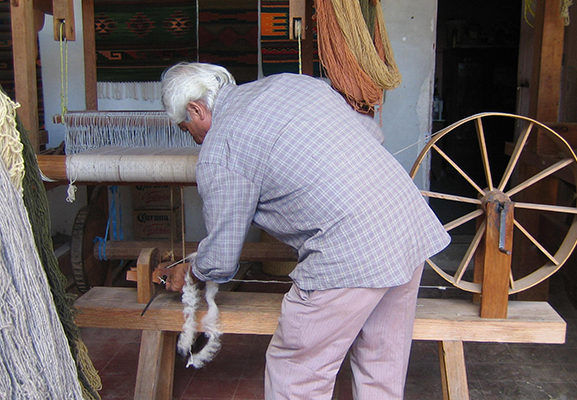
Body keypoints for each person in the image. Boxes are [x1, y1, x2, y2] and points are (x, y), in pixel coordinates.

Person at [158, 62, 450, 400]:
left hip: (350, 249)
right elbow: (373, 134)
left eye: (185, 128)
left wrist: (191, 271)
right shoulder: (290, 84)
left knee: (297, 375)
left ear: (196, 110)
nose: (192, 138)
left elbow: (221, 260)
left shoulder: (219, 149)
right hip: (406, 223)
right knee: (380, 363)